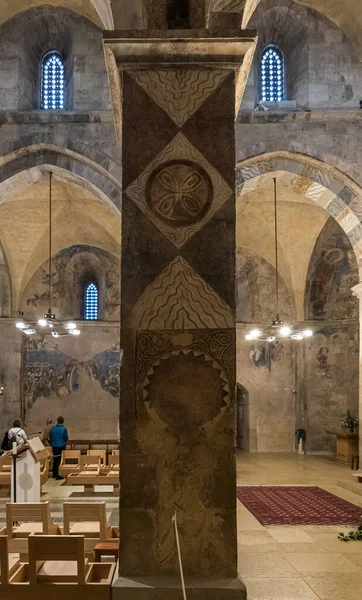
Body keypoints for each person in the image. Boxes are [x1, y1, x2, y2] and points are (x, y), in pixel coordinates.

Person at [50, 416, 68, 480]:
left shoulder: (52, 429)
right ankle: (58, 475)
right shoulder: (63, 429)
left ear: (57, 421)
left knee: (55, 460)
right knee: (60, 461)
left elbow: (51, 437)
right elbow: (66, 438)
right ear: (63, 421)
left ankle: (54, 474)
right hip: (61, 446)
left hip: (54, 446)